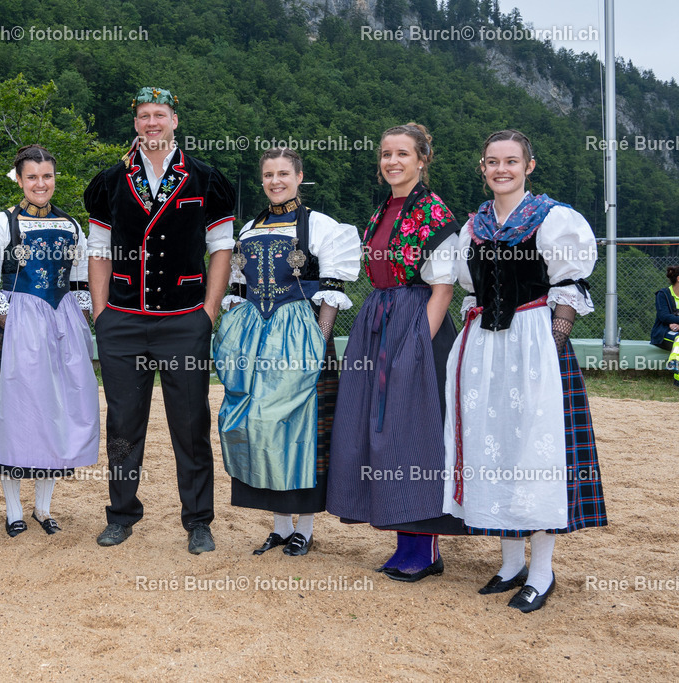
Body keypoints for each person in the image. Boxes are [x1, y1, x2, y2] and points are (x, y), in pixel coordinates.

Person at [444, 129, 607, 613]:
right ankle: (510, 562)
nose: (501, 169)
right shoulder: (473, 226)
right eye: (492, 161)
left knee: (536, 451)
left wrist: (552, 349)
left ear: (528, 167)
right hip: (485, 348)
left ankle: (542, 571)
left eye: (511, 161)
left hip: (535, 342)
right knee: (494, 446)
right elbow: (472, 292)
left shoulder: (554, 219)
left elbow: (567, 291)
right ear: (482, 167)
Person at [84, 86, 236, 554]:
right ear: (136, 123)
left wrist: (207, 314)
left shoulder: (207, 179)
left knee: (190, 424)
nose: (152, 123)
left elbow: (221, 250)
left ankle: (198, 520)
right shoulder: (110, 180)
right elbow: (98, 251)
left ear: (175, 120)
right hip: (124, 319)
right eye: (144, 116)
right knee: (123, 426)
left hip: (183, 319)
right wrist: (101, 313)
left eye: (160, 115)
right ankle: (122, 514)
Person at [326, 123, 463, 581]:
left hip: (417, 321)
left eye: (403, 154)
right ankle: (406, 539)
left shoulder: (434, 213)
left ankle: (424, 547)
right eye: (386, 154)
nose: (392, 162)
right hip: (380, 319)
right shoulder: (385, 209)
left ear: (422, 159)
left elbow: (442, 289)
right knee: (378, 427)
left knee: (413, 434)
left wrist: (414, 345)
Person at [214, 148, 360, 556]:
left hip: (301, 335)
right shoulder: (249, 227)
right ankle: (279, 526)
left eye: (283, 174)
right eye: (268, 174)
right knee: (257, 424)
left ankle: (306, 528)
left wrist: (319, 339)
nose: (275, 181)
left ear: (299, 176)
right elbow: (240, 291)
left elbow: (332, 291)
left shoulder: (319, 225)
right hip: (256, 337)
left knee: (302, 428)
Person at [0, 145, 99, 536]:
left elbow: (76, 281)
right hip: (16, 329)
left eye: (48, 176)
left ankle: (43, 507)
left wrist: (72, 326)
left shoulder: (72, 225)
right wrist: (13, 323)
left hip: (60, 327)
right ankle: (12, 511)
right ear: (19, 180)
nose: (41, 183)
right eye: (33, 177)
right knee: (16, 417)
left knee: (57, 414)